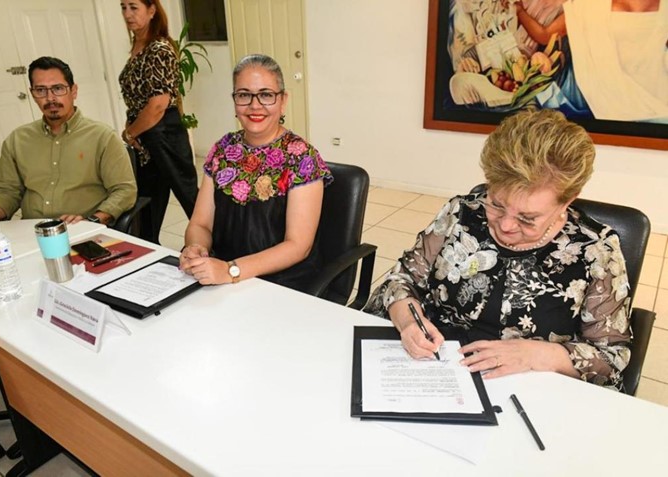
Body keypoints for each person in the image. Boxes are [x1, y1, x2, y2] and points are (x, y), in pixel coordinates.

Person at [364, 109, 632, 390]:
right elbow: (401, 280)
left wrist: (539, 354)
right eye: (496, 203)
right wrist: (408, 323)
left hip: (528, 388)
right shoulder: (462, 213)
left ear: (567, 201)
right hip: (435, 371)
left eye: (527, 218)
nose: (505, 225)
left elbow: (611, 359)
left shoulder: (595, 251)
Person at [179, 54, 333, 290]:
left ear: (283, 101)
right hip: (221, 276)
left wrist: (232, 270)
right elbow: (200, 224)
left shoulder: (301, 156)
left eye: (266, 95)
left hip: (280, 283)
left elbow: (298, 246)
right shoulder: (223, 149)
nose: (254, 105)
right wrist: (196, 248)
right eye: (244, 95)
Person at [0, 57, 137, 229]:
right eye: (41, 90)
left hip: (83, 230)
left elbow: (124, 191)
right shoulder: (17, 140)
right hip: (33, 233)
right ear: (32, 94)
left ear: (73, 91)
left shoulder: (102, 137)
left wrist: (93, 221)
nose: (50, 98)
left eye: (58, 89)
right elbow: (7, 192)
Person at [119, 0, 199, 244]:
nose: (127, 14)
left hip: (164, 132)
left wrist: (129, 133)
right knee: (147, 204)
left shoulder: (159, 48)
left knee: (190, 199)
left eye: (134, 7)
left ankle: (223, 250)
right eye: (123, 7)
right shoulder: (138, 46)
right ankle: (147, 251)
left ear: (152, 10)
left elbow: (157, 105)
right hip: (145, 135)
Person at [512, 0, 668, 121]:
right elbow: (545, 35)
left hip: (657, 105)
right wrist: (519, 11)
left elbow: (544, 36)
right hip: (609, 104)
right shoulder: (592, 6)